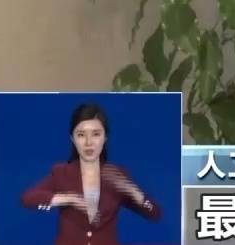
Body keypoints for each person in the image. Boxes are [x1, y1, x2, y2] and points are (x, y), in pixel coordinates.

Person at [21, 103, 162, 244]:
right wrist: (68, 198)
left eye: (96, 134)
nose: (89, 142)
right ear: (72, 139)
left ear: (105, 137)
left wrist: (133, 191)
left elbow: (155, 214)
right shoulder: (61, 173)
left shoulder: (117, 175)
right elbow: (27, 199)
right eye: (81, 135)